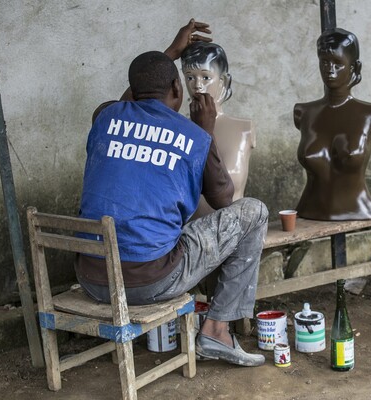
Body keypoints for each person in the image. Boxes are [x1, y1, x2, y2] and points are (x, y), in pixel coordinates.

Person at [75, 19, 268, 367]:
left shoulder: (104, 117)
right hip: (151, 282)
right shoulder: (192, 135)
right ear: (178, 89)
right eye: (188, 79)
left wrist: (170, 53)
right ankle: (217, 330)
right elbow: (225, 201)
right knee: (254, 211)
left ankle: (215, 330)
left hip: (91, 278)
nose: (197, 87)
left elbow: (132, 98)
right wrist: (205, 132)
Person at [294, 27, 371, 221]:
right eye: (324, 62)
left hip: (360, 209)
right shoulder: (304, 112)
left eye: (338, 63)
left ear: (353, 67)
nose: (329, 69)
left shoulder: (369, 113)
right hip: (310, 210)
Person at [180, 42, 256, 218]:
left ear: (223, 80)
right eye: (190, 77)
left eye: (206, 77)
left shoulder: (244, 128)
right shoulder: (178, 129)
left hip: (232, 233)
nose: (197, 86)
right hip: (190, 235)